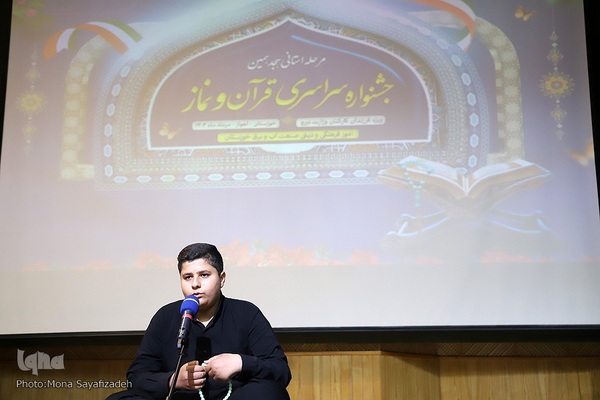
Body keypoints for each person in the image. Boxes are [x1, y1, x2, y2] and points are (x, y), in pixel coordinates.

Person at [106, 243, 291, 400]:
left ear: (222, 279)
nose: (195, 284)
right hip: (180, 397)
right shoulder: (165, 316)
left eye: (204, 275)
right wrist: (173, 380)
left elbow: (281, 371)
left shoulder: (246, 313)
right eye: (188, 277)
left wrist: (241, 362)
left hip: (234, 397)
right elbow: (136, 377)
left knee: (271, 392)